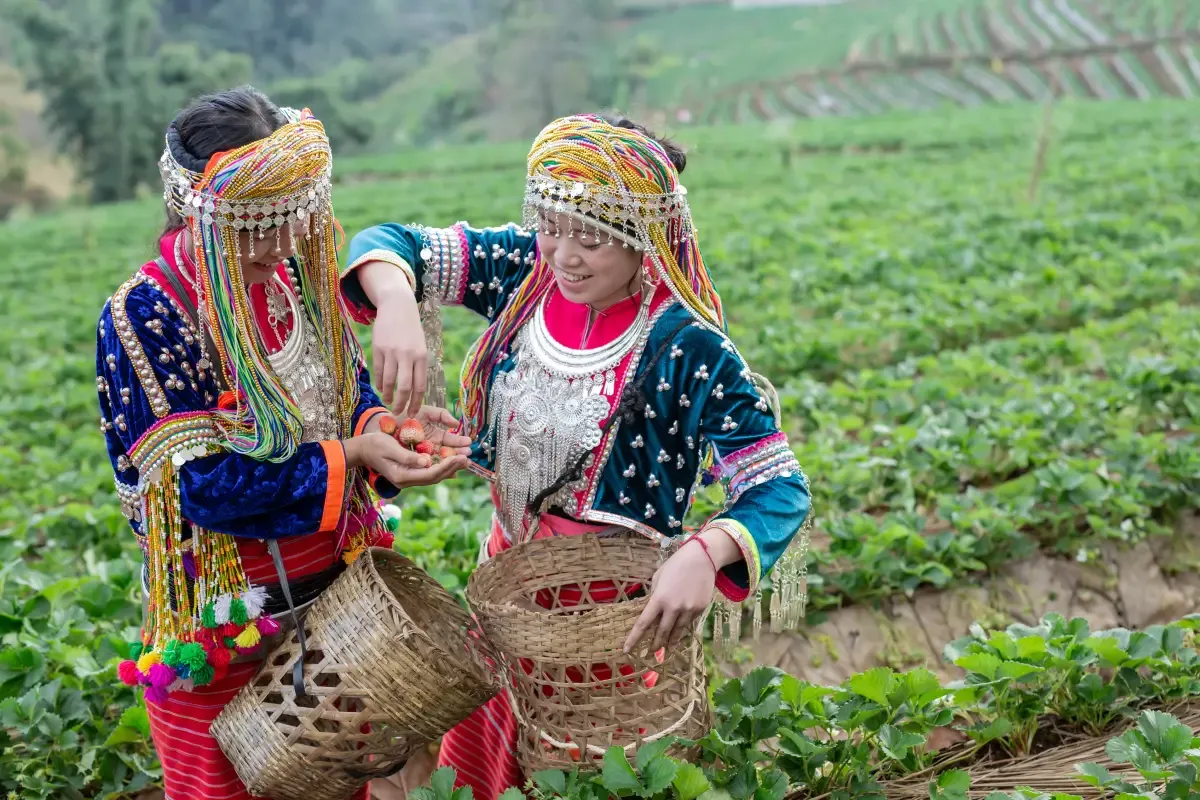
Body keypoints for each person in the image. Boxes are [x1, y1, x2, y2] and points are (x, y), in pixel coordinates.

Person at [340, 113, 813, 798]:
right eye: (553, 227)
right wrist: (395, 302)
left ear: (644, 238)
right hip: (506, 594)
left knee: (591, 779)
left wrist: (705, 554)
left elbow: (779, 488)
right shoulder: (526, 274)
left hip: (612, 627)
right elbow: (390, 243)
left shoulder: (686, 345)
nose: (564, 254)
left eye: (592, 238)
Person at [95, 86, 469, 800]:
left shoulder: (294, 274)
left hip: (340, 606)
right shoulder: (148, 312)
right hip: (224, 623)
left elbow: (346, 387)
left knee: (346, 779)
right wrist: (351, 459)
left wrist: (381, 432)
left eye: (289, 218)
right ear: (197, 212)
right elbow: (201, 488)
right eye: (252, 225)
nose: (280, 244)